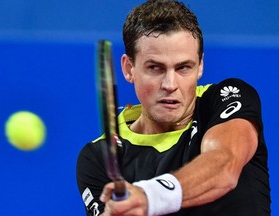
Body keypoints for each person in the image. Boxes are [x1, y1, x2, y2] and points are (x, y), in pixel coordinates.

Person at [77, 0, 271, 215]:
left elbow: (224, 165)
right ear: (128, 68)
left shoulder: (227, 97)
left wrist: (147, 196)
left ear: (200, 66)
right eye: (155, 68)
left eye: (183, 68)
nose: (170, 85)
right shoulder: (98, 157)